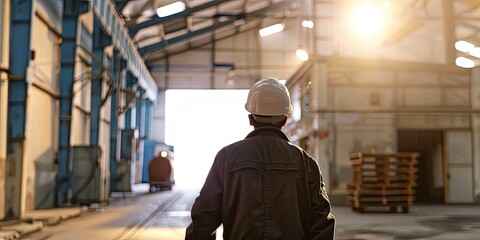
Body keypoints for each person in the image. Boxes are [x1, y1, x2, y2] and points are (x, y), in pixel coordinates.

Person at [185, 77, 335, 240]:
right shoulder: (305, 162)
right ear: (284, 120)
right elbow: (322, 222)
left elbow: (202, 219)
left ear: (251, 118)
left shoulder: (226, 158)